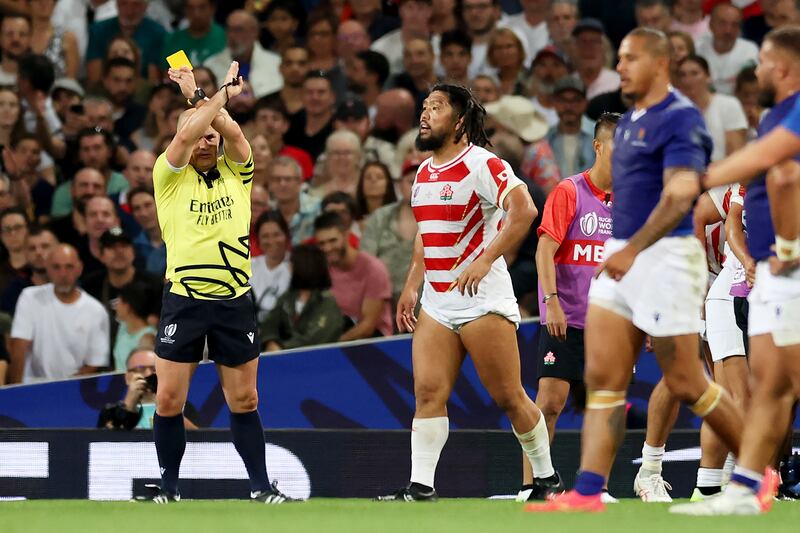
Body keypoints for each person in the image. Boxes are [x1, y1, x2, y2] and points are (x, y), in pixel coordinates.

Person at [527, 28, 743, 514]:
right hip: (623, 259)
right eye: (618, 58)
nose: (619, 66)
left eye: (630, 58)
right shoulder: (628, 124)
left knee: (687, 381)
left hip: (665, 257)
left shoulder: (680, 119)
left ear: (660, 64)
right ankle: (587, 492)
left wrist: (632, 249)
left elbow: (681, 192)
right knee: (604, 378)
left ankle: (754, 473)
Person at [377, 83, 561, 502]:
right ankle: (421, 487)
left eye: (436, 108)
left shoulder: (484, 164)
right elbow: (426, 234)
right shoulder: (423, 173)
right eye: (423, 107)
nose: (424, 114)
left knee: (509, 396)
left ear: (459, 121)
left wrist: (485, 259)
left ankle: (547, 479)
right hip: (438, 302)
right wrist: (411, 283)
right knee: (427, 393)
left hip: (482, 301)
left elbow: (526, 210)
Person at [671, 25, 800, 517]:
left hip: (792, 273)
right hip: (770, 273)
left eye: (764, 63)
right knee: (770, 386)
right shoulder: (775, 118)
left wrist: (699, 180)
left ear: (783, 68)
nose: (757, 72)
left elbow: (778, 167)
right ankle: (745, 491)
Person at [148, 61, 290, 504]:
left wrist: (201, 96)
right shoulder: (167, 177)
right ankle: (169, 488)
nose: (207, 140)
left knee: (245, 400)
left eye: (214, 135)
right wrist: (216, 96)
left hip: (233, 301)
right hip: (184, 300)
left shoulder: (238, 172)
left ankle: (260, 487)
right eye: (199, 134)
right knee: (169, 399)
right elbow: (188, 133)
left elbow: (233, 133)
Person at [517, 112, 620, 503]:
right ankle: (531, 485)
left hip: (610, 321)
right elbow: (545, 248)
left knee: (604, 404)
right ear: (598, 146)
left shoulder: (631, 199)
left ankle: (598, 488)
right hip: (566, 316)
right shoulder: (569, 191)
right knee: (550, 403)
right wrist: (551, 301)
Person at [8, 244, 109, 383]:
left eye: (69, 267)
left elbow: (94, 363)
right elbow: (19, 348)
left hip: (74, 388)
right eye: (56, 267)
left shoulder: (96, 310)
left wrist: (63, 389)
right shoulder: (30, 297)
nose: (63, 274)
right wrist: (15, 392)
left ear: (79, 269)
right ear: (47, 269)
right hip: (32, 386)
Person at [314, 212, 392, 341]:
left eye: (333, 241)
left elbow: (367, 327)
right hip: (337, 335)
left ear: (346, 235)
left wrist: (331, 346)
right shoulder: (321, 269)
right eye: (322, 243)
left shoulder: (373, 269)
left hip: (375, 345)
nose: (327, 248)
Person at [259, 244, 344, 352]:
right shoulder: (288, 297)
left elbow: (314, 339)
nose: (289, 267)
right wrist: (270, 341)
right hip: (285, 359)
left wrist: (282, 348)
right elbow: (269, 323)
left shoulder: (327, 302)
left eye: (292, 263)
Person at [97, 348, 200, 430]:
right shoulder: (110, 412)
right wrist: (128, 406)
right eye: (140, 370)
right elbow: (106, 446)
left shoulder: (182, 407)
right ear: (128, 377)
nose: (148, 374)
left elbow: (199, 440)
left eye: (154, 369)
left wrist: (166, 405)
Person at [361, 160, 418, 307]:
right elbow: (366, 262)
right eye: (412, 181)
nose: (417, 186)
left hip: (426, 303)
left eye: (422, 180)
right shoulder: (380, 217)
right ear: (399, 186)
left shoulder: (440, 219)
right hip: (383, 301)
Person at [677, 55, 748, 162]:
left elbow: (737, 154)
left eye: (694, 73)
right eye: (683, 75)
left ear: (708, 77)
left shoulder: (728, 105)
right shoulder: (674, 112)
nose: (688, 80)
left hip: (723, 174)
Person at [203, 10, 283, 99]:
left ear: (255, 32)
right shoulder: (210, 65)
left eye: (238, 29)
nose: (231, 35)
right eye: (229, 29)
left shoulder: (276, 63)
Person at [85, 0, 167, 84]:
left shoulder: (157, 33)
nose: (129, 10)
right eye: (124, 3)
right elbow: (94, 78)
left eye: (136, 4)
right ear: (116, 4)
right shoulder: (98, 31)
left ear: (146, 6)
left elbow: (153, 79)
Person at [695, 3, 760, 95]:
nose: (728, 30)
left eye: (734, 24)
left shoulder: (750, 50)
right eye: (722, 23)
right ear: (710, 24)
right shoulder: (698, 48)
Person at [545, 77, 595, 178]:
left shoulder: (599, 135)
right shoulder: (546, 138)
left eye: (575, 101)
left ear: (585, 103)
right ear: (554, 103)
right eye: (563, 100)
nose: (569, 107)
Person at [283, 71, 336, 162]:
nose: (315, 97)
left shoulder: (338, 127)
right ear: (301, 96)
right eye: (309, 92)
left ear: (332, 97)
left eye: (321, 92)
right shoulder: (289, 125)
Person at [267, 155, 320, 245]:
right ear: (270, 184)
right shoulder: (266, 211)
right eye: (277, 179)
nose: (282, 184)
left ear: (300, 182)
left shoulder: (317, 208)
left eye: (288, 179)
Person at [249, 211, 291, 322]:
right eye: (265, 236)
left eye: (276, 235)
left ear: (286, 235)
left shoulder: (298, 266)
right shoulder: (249, 266)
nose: (271, 241)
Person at [162, 0, 226, 66]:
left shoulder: (225, 37)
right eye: (190, 8)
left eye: (202, 7)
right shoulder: (174, 41)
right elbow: (172, 73)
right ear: (185, 10)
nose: (196, 14)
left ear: (212, 9)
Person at [112, 280, 157, 372]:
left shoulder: (148, 337)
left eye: (119, 301)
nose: (116, 306)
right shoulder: (123, 327)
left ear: (128, 306)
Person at [29, 0, 79, 79]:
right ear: (29, 2)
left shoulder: (68, 39)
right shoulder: (21, 36)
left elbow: (70, 82)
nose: (43, 2)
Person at [572, 18, 621, 100]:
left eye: (594, 41)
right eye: (583, 41)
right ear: (575, 48)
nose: (588, 48)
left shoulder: (617, 84)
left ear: (604, 48)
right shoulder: (568, 84)